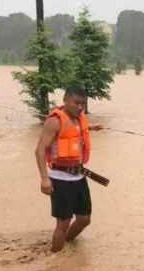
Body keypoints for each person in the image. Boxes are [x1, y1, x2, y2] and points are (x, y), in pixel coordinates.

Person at [35, 87, 104, 252]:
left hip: (79, 177)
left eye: (83, 104)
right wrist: (44, 179)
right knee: (63, 222)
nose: (80, 107)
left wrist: (92, 128)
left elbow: (75, 134)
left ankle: (67, 244)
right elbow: (39, 150)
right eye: (76, 103)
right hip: (60, 179)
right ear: (65, 100)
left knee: (84, 220)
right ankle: (55, 259)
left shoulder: (80, 119)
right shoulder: (54, 121)